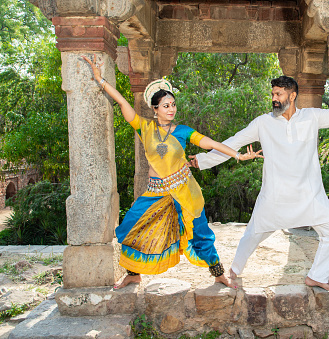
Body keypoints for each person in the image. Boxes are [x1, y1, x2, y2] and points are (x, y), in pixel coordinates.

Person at [189, 70, 329, 292]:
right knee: (253, 234)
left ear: (293, 95)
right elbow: (233, 142)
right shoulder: (263, 123)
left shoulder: (312, 117)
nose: (274, 99)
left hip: (309, 196)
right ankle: (234, 270)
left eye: (278, 94)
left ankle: (317, 276)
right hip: (275, 196)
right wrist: (202, 161)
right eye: (272, 94)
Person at [82, 55, 262, 289]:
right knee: (130, 226)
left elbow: (211, 143)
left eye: (173, 105)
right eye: (166, 106)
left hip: (184, 190)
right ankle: (133, 273)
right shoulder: (144, 127)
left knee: (201, 233)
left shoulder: (183, 131)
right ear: (154, 109)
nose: (171, 109)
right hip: (155, 192)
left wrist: (237, 155)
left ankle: (218, 273)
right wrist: (100, 80)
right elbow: (123, 104)